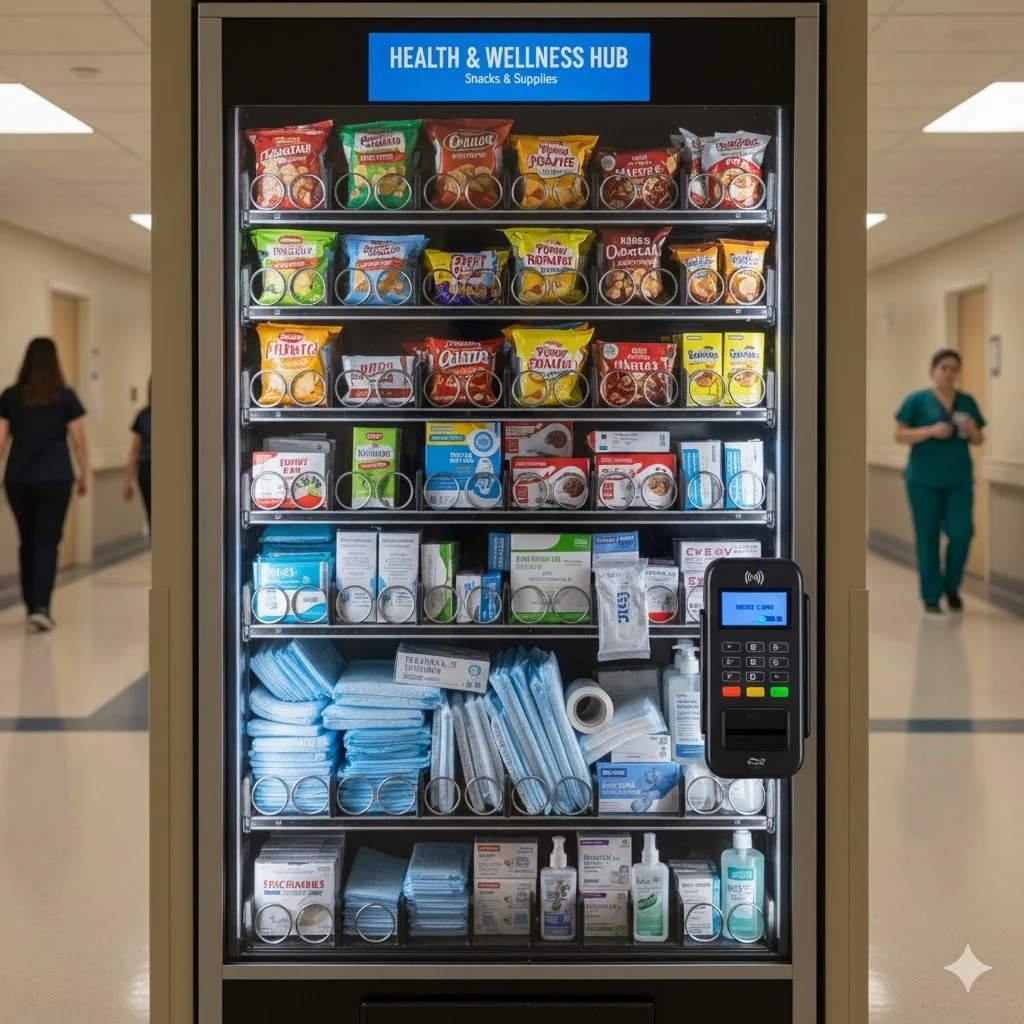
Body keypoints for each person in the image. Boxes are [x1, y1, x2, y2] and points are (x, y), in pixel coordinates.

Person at [0, 337, 89, 631]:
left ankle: (30, 606)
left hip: (19, 480)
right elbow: (78, 440)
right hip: (55, 479)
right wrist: (85, 474)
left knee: (28, 541)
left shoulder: (11, 397)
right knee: (47, 542)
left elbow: (0, 441)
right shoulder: (64, 397)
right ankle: (41, 607)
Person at [894, 348, 985, 614]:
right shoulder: (917, 401)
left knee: (962, 533)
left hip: (958, 481)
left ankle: (951, 585)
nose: (949, 373)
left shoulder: (967, 402)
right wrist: (930, 431)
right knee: (928, 537)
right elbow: (899, 435)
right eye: (943, 368)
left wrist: (971, 430)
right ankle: (931, 595)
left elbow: (980, 440)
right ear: (933, 371)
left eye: (954, 369)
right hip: (923, 481)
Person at [123, 378, 151, 529]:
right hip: (146, 470)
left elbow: (134, 451)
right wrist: (128, 480)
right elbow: (134, 451)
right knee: (152, 516)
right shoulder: (143, 416)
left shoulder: (170, 417)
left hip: (157, 470)